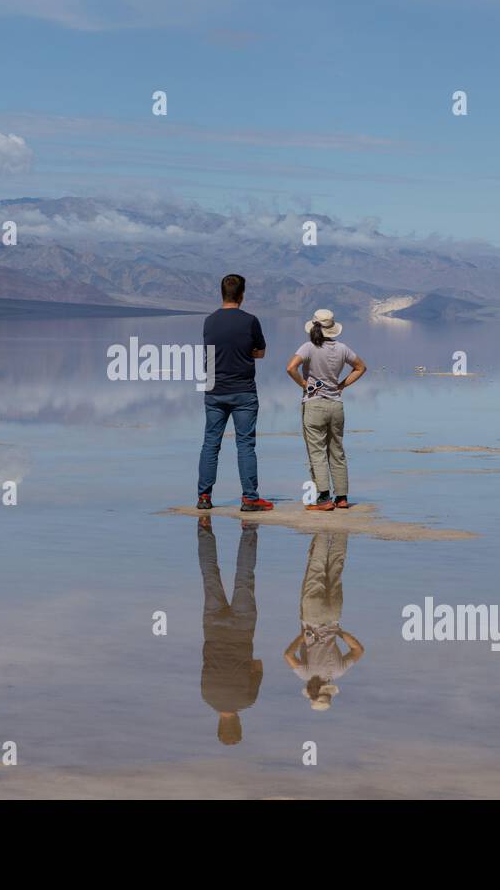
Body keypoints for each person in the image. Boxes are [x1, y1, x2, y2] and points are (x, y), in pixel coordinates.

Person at [197, 274, 273, 512]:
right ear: (242, 295)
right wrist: (244, 354)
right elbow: (260, 353)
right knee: (246, 444)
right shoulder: (250, 320)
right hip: (243, 391)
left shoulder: (209, 321)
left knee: (211, 443)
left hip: (214, 389)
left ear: (222, 293)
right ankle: (250, 498)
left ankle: (204, 497)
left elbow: (207, 359)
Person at [286, 309, 366, 511]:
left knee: (317, 452)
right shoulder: (342, 348)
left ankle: (323, 498)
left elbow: (290, 368)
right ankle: (341, 497)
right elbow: (360, 367)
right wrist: (341, 385)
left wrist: (304, 384)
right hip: (336, 405)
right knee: (337, 451)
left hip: (314, 404)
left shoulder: (308, 347)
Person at [198, 516, 262, 745]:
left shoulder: (247, 699)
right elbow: (206, 664)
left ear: (239, 725)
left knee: (244, 578)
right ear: (219, 725)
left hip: (242, 632)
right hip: (213, 631)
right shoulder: (207, 696)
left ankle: (248, 529)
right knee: (210, 576)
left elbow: (257, 665)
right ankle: (204, 527)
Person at [283, 533, 363, 712]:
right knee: (317, 568)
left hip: (333, 616)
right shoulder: (304, 674)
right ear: (314, 692)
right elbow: (288, 655)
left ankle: (341, 527)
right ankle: (323, 526)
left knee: (336, 568)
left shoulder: (339, 671)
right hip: (311, 616)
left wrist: (340, 632)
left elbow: (358, 650)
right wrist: (302, 638)